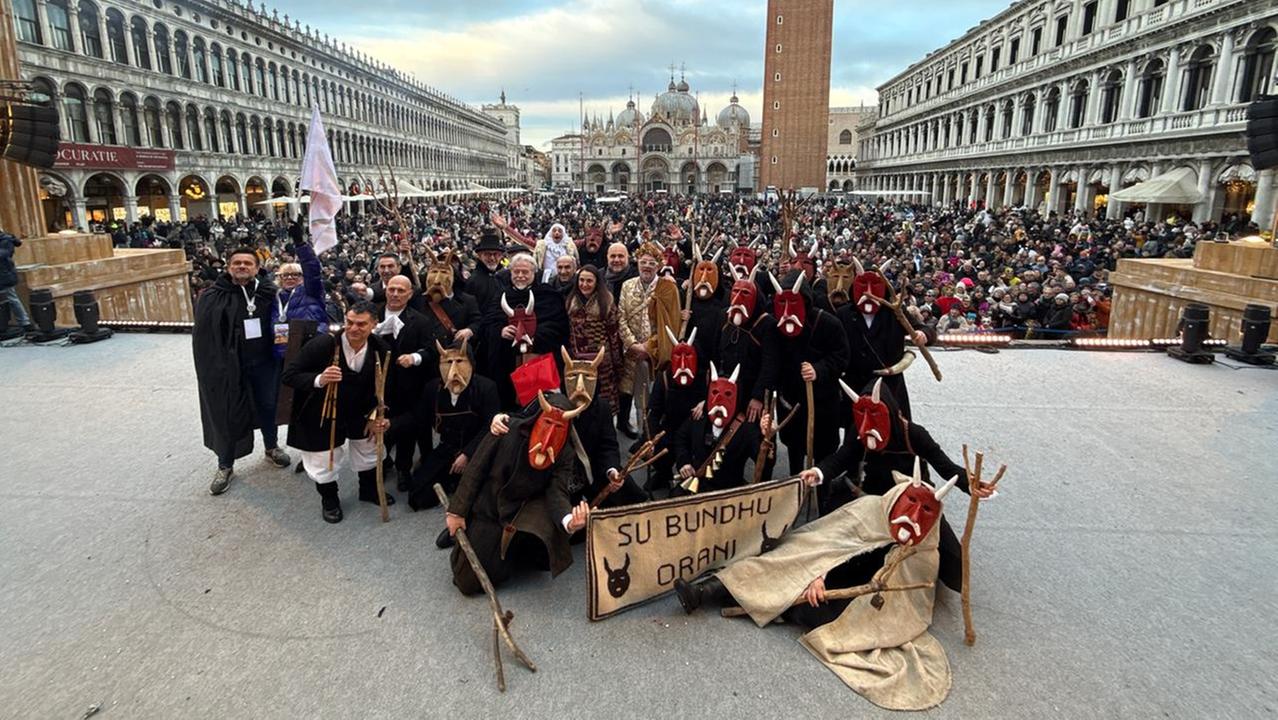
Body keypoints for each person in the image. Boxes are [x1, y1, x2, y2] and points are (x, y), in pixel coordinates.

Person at [444, 392, 584, 595]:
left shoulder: (565, 453)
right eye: (547, 423)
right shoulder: (507, 429)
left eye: (559, 428)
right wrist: (456, 512)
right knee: (468, 582)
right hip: (489, 508)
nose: (548, 439)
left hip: (523, 510)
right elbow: (475, 469)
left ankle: (520, 548)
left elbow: (557, 492)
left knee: (516, 563)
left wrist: (570, 521)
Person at [281, 301, 394, 523]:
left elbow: (388, 386)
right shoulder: (324, 344)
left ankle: (368, 490)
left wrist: (376, 415)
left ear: (374, 324)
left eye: (361, 324)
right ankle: (329, 500)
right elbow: (289, 375)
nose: (353, 328)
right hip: (323, 411)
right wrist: (319, 379)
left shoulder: (381, 348)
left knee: (369, 448)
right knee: (324, 460)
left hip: (361, 410)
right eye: (349, 322)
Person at [193, 247, 292, 496]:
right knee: (227, 412)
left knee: (268, 405)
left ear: (257, 268)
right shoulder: (212, 296)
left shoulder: (269, 293)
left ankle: (272, 447)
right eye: (237, 263)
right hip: (229, 367)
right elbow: (204, 338)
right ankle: (225, 464)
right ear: (228, 267)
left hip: (265, 363)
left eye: (248, 263)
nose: (242, 266)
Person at [387, 338, 498, 543]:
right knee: (419, 495)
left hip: (477, 451)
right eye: (448, 362)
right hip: (448, 448)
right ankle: (452, 480)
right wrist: (390, 424)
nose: (453, 369)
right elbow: (418, 418)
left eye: (460, 361)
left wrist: (468, 454)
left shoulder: (486, 388)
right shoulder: (433, 389)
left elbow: (489, 426)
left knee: (484, 495)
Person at [376, 275, 434, 491]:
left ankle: (403, 468)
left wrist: (414, 358)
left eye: (401, 291)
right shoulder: (373, 315)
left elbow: (430, 351)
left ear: (410, 294)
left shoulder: (420, 320)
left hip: (407, 386)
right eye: (391, 289)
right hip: (376, 385)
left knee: (406, 430)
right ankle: (381, 463)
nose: (395, 294)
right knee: (377, 427)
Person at [616, 242, 663, 438]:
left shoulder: (665, 287)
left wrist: (649, 347)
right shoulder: (627, 285)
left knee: (650, 396)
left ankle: (648, 433)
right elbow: (621, 317)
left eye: (651, 263)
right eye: (643, 262)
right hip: (631, 350)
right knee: (626, 389)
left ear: (658, 265)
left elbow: (668, 322)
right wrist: (632, 344)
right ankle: (624, 424)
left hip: (654, 353)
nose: (647, 266)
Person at [566, 265, 624, 413]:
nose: (584, 284)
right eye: (581, 280)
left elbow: (613, 334)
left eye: (589, 281)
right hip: (577, 358)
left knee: (604, 398)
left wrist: (617, 361)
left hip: (601, 359)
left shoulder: (606, 302)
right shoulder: (572, 300)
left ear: (597, 282)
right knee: (580, 395)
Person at [0, 230, 32, 335]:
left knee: (12, 299)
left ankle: (25, 323)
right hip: (4, 274)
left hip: (4, 275)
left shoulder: (6, 240)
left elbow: (4, 254)